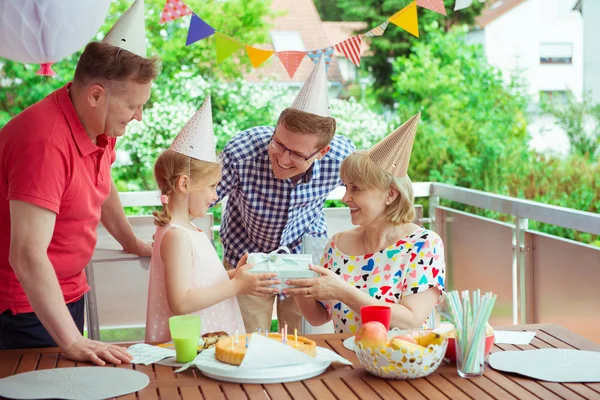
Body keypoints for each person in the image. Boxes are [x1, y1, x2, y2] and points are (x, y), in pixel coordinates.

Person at [0, 0, 158, 365]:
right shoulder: (44, 143)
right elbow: (25, 255)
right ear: (96, 95)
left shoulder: (99, 124)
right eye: (133, 107)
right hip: (24, 306)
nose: (139, 117)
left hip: (69, 290)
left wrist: (131, 241)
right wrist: (72, 341)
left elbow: (102, 185)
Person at [215, 56, 355, 333]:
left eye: (298, 154)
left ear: (322, 153)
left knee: (304, 342)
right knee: (246, 342)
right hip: (245, 255)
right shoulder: (242, 151)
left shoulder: (341, 158)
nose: (283, 158)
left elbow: (371, 191)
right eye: (278, 143)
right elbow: (201, 198)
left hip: (305, 257)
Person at [284, 113, 446, 334]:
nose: (344, 197)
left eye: (356, 189)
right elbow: (319, 317)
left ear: (390, 194)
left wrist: (343, 291)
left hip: (401, 362)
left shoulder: (424, 245)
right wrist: (296, 285)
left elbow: (410, 319)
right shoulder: (337, 245)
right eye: (346, 187)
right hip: (349, 360)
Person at [145, 97, 280, 342]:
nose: (216, 195)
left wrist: (234, 276)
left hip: (207, 342)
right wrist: (237, 286)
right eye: (211, 186)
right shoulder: (177, 236)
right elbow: (181, 301)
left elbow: (199, 284)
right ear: (184, 184)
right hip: (193, 348)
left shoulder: (189, 230)